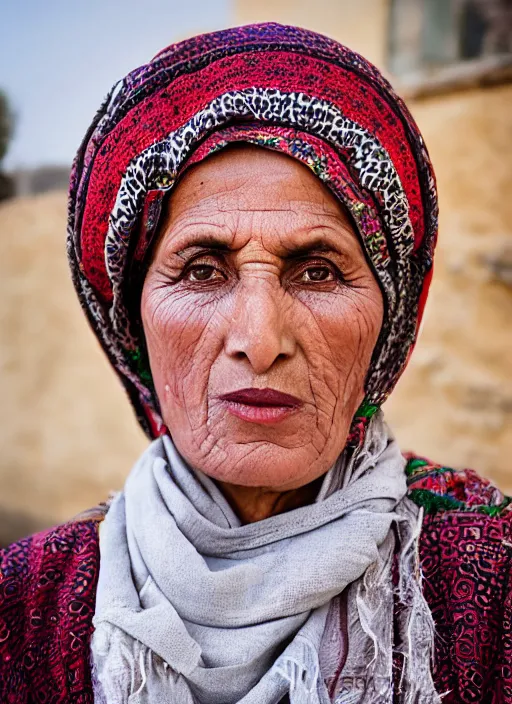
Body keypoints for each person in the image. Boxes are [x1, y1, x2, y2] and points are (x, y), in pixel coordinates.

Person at [0, 23, 511, 704]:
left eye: (319, 271)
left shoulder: (492, 586)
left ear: (390, 325)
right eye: (204, 269)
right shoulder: (26, 602)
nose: (261, 339)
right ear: (132, 323)